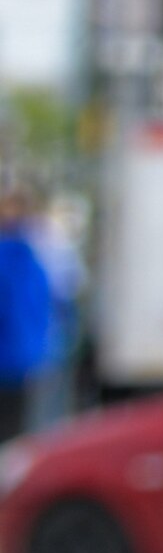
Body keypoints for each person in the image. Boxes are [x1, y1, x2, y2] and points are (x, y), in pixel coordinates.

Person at [0, 189, 60, 450]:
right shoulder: (35, 257)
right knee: (18, 435)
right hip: (28, 361)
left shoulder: (11, 258)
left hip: (8, 358)